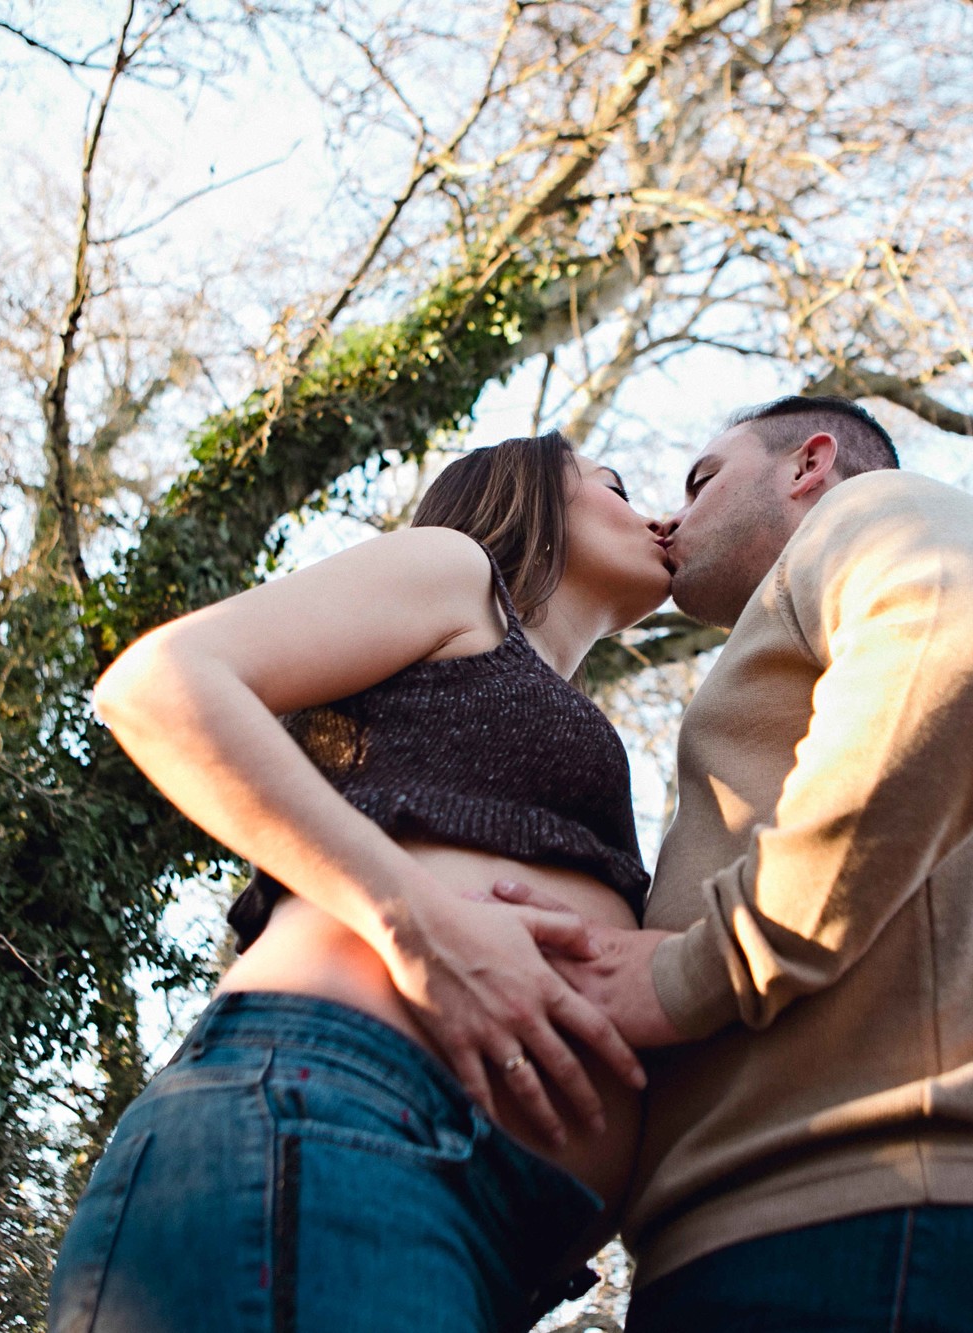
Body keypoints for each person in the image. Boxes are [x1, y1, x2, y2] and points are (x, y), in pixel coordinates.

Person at [522, 396, 973, 1331]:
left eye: (701, 481)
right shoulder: (800, 628)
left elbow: (961, 643)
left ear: (808, 464)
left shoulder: (874, 512)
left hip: (896, 1213)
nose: (670, 517)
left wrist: (695, 969)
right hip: (819, 1227)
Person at [48, 432, 672, 1333]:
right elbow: (160, 685)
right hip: (341, 1124)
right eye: (616, 483)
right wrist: (415, 920)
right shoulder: (455, 572)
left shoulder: (539, 698)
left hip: (486, 1239)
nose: (659, 514)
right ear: (528, 494)